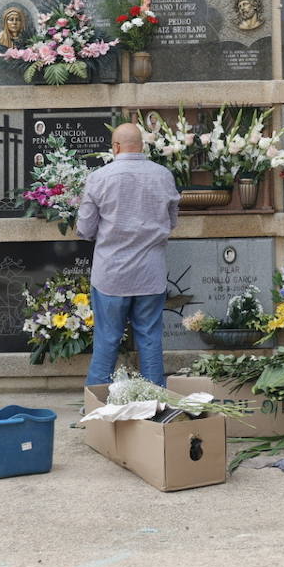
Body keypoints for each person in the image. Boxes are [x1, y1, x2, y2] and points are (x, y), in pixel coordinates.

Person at [77, 123, 180, 387]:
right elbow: (171, 223)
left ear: (115, 147)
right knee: (149, 338)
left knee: (107, 339)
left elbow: (85, 228)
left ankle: (96, 406)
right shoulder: (163, 175)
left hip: (111, 275)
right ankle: (156, 405)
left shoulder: (99, 178)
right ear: (142, 146)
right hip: (150, 273)